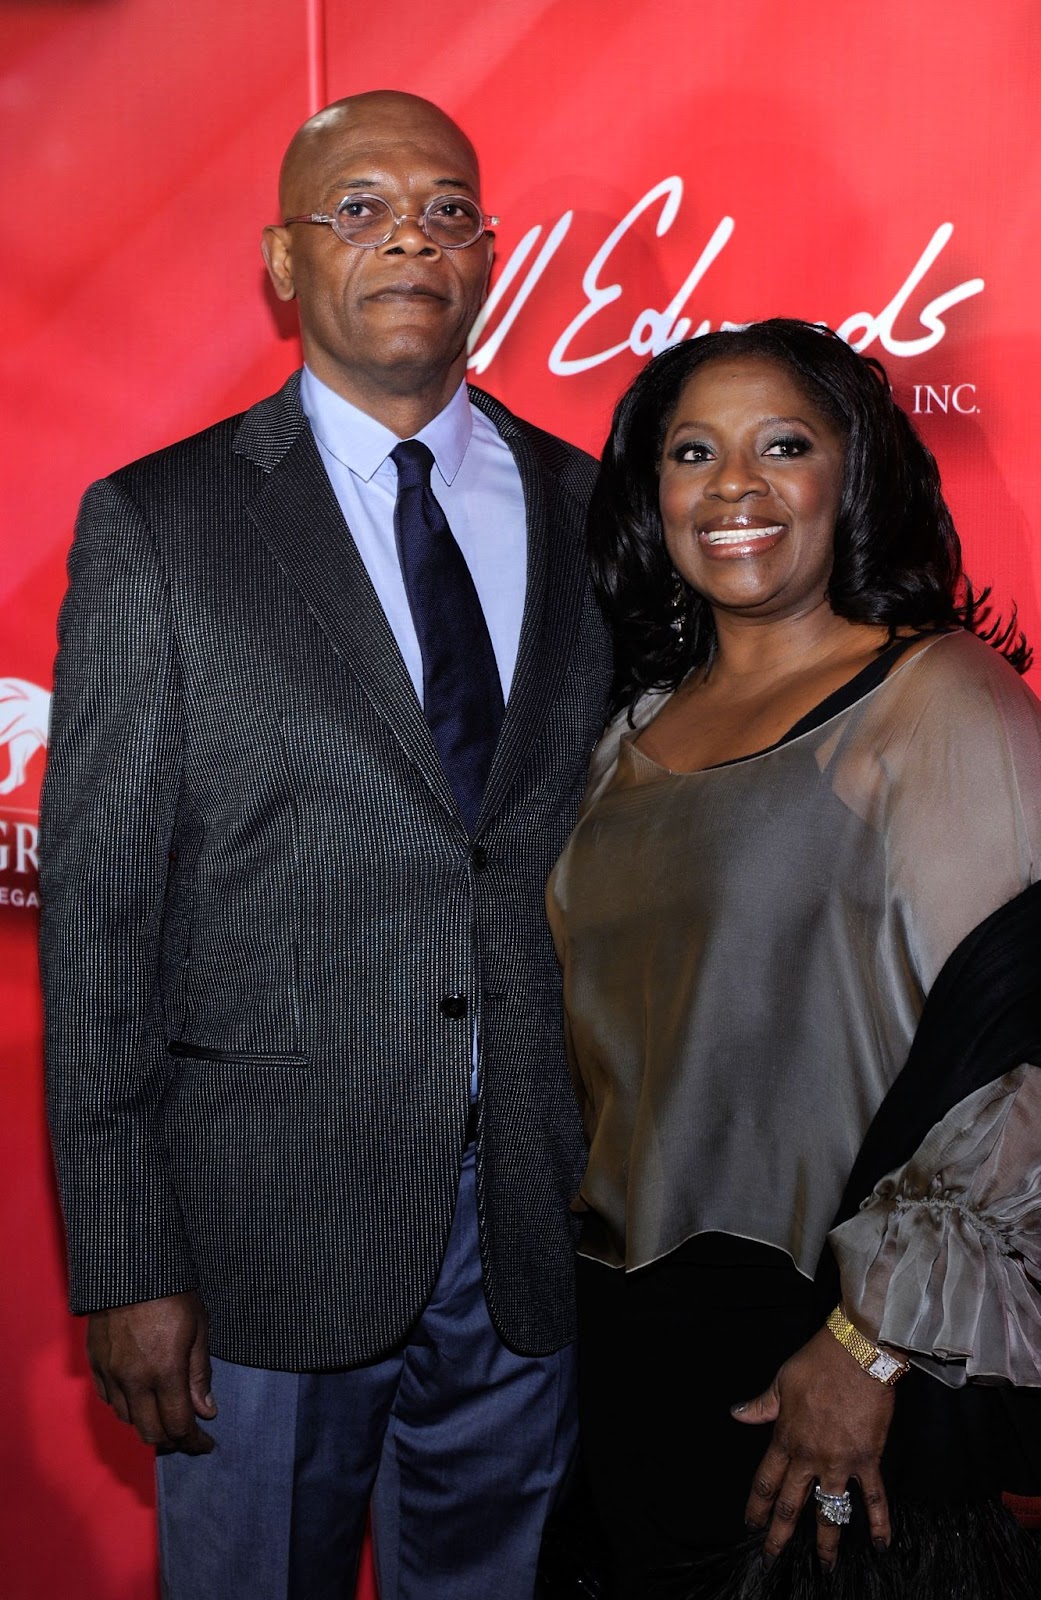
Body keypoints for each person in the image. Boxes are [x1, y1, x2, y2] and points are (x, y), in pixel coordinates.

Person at [40, 90, 611, 1600]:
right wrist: (126, 1261)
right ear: (284, 263)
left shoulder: (598, 510)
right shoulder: (160, 526)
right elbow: (97, 921)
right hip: (257, 1245)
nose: (408, 236)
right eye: (358, 208)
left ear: (488, 252)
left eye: (444, 208)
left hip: (531, 1230)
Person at [547, 319, 1041, 1598]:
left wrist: (872, 1343)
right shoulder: (630, 730)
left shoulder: (939, 698)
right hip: (629, 1357)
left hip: (824, 1359)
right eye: (693, 451)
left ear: (852, 473)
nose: (735, 487)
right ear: (653, 496)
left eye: (785, 445)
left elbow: (1019, 1051)